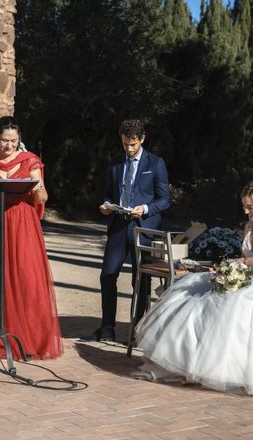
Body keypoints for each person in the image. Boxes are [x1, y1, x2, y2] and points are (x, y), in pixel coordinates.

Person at [135, 180, 253, 396]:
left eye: (250, 206)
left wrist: (239, 264)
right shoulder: (249, 226)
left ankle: (236, 373)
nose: (246, 211)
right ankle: (190, 364)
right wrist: (228, 270)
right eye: (244, 206)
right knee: (197, 301)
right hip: (248, 274)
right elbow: (246, 257)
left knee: (240, 308)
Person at [0, 116, 62, 360]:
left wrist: (36, 188)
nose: (8, 146)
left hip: (22, 224)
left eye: (13, 141)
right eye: (4, 140)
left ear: (19, 139)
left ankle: (27, 338)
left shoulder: (30, 160)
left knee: (24, 276)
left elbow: (41, 199)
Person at [82, 119, 170, 342]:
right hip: (119, 226)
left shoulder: (156, 163)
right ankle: (107, 328)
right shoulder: (115, 162)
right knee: (107, 276)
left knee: (140, 281)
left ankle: (136, 332)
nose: (129, 149)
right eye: (125, 144)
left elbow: (164, 200)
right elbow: (109, 194)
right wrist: (106, 205)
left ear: (142, 139)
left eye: (132, 144)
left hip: (145, 230)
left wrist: (146, 209)